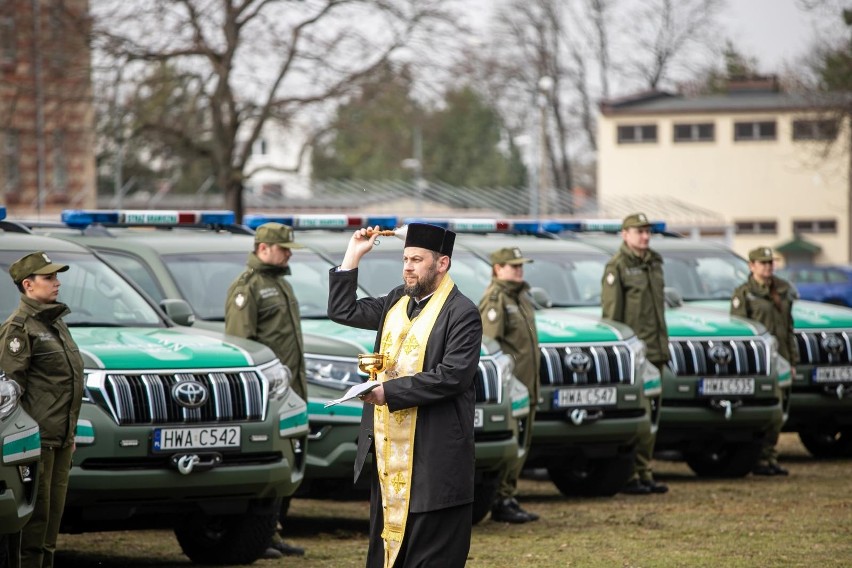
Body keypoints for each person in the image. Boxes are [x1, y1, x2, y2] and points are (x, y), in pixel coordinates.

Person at [327, 222, 483, 568]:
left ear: (442, 263)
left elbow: (453, 376)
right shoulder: (398, 299)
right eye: (405, 259)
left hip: (434, 455)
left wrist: (388, 391)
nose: (408, 268)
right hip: (389, 453)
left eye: (417, 260)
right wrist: (353, 253)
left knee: (430, 555)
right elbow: (343, 311)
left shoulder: (462, 312)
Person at [224, 222, 306, 559]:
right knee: (274, 460)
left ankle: (273, 532)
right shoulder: (248, 287)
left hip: (291, 388)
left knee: (291, 461)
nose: (288, 253)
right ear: (262, 249)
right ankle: (261, 534)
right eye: (283, 248)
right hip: (269, 394)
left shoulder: (281, 284)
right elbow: (243, 346)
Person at [0, 252, 84, 568]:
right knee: (33, 525)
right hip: (34, 444)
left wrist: (70, 432)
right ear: (28, 285)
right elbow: (8, 391)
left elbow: (67, 382)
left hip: (60, 439)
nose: (56, 283)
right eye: (49, 278)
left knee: (51, 524)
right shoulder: (19, 328)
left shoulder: (55, 323)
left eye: (55, 277)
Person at [601, 213, 670, 495]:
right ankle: (630, 474)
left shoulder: (654, 263)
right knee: (637, 416)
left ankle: (644, 471)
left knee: (652, 416)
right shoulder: (617, 267)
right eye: (638, 231)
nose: (644, 236)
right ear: (624, 234)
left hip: (656, 350)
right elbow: (612, 317)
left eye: (647, 231)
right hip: (635, 355)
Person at [479, 247, 540, 524]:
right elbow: (490, 348)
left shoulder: (521, 297)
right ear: (497, 268)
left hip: (527, 384)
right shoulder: (496, 300)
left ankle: (509, 496)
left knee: (522, 445)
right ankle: (502, 500)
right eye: (512, 265)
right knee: (513, 447)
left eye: (520, 265)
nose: (518, 270)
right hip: (512, 388)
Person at [730, 246, 798, 476]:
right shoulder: (744, 293)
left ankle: (768, 456)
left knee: (779, 413)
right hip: (760, 362)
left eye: (770, 263)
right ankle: (759, 457)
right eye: (763, 263)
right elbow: (739, 332)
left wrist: (792, 361)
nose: (768, 267)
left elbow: (788, 328)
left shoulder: (783, 290)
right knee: (766, 411)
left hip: (781, 358)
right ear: (752, 266)